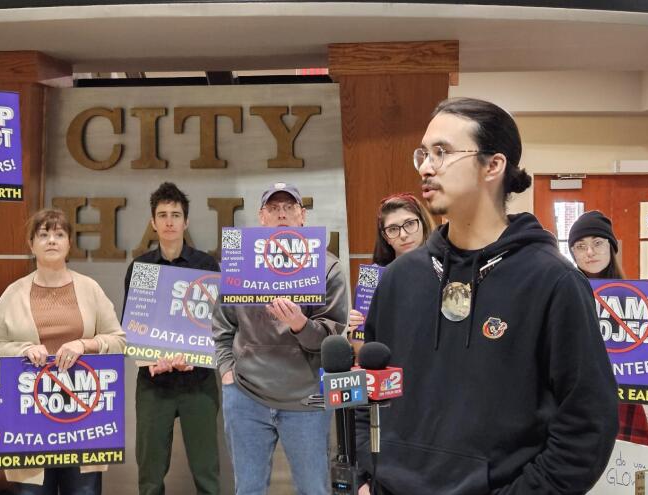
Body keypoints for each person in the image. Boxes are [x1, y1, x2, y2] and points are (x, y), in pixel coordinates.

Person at [355, 97, 619, 494]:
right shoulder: (398, 279)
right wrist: (366, 475)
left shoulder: (553, 281)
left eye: (442, 152)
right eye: (423, 154)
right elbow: (368, 387)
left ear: (493, 165)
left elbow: (587, 425)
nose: (426, 167)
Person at [213, 182, 348, 495]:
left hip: (305, 399)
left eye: (289, 207)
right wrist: (227, 372)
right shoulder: (238, 262)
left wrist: (301, 324)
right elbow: (222, 327)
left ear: (302, 216)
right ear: (262, 217)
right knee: (247, 489)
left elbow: (333, 341)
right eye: (274, 208)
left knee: (314, 489)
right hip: (246, 395)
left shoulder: (327, 266)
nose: (281, 214)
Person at [0, 208, 125, 495]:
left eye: (59, 234)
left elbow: (119, 341)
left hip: (83, 417)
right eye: (43, 234)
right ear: (31, 244)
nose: (51, 241)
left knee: (83, 492)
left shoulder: (90, 289)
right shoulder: (13, 293)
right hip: (28, 423)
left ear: (69, 243)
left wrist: (84, 344)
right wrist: (23, 348)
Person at [123, 182, 221, 495]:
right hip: (154, 383)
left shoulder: (205, 266)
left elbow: (216, 325)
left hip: (199, 381)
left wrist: (193, 356)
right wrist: (152, 360)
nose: (169, 221)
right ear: (153, 222)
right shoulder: (141, 267)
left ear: (185, 222)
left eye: (175, 215)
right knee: (150, 476)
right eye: (162, 215)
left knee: (207, 473)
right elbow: (134, 327)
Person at [568, 210, 648, 446]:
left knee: (625, 481)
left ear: (611, 247)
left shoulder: (639, 298)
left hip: (624, 418)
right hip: (575, 414)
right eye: (581, 246)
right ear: (573, 252)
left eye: (597, 243)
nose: (590, 252)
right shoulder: (562, 295)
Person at [347, 193, 434, 351]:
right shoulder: (371, 278)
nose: (403, 235)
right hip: (390, 370)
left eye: (409, 224)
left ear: (423, 223)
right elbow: (362, 353)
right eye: (393, 229)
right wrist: (356, 330)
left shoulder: (444, 269)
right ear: (385, 237)